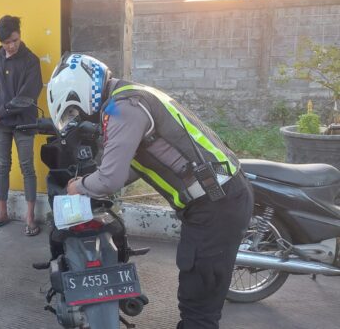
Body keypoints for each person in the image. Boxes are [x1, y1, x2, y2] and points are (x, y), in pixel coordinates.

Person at [49, 53, 253, 329]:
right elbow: (139, 164)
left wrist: (79, 186)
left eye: (74, 111)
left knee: (198, 308)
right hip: (218, 199)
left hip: (216, 207)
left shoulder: (124, 107)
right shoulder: (128, 96)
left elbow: (110, 178)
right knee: (197, 297)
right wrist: (102, 179)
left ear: (80, 93)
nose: (80, 117)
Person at [0, 15, 43, 236]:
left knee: (27, 168)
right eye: (6, 42)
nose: (11, 46)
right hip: (1, 122)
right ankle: (2, 212)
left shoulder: (31, 61)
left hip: (23, 122)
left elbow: (27, 96)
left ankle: (30, 216)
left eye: (14, 40)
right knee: (2, 166)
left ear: (19, 35)